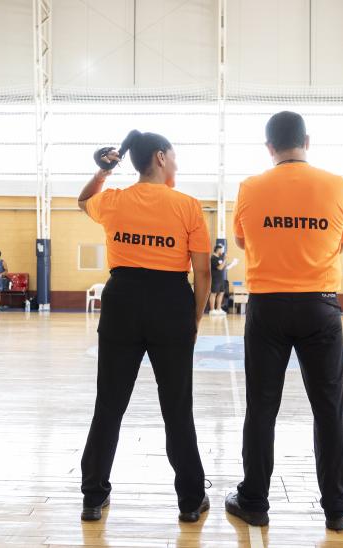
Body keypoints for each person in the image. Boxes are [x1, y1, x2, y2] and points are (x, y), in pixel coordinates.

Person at [226, 111, 343, 532]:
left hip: (267, 307)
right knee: (329, 408)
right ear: (307, 140)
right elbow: (341, 242)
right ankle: (338, 507)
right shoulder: (337, 185)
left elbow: (244, 240)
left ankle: (254, 501)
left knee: (261, 408)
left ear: (269, 147)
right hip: (320, 304)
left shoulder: (250, 187)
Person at [77, 129, 211, 523]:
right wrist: (195, 317)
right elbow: (202, 271)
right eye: (174, 155)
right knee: (177, 407)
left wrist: (102, 172)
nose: (177, 162)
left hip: (122, 300)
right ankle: (190, 501)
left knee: (109, 404)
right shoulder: (187, 204)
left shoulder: (114, 200)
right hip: (171, 302)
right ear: (159, 157)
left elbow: (83, 201)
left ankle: (92, 496)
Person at [209, 244, 227, 315]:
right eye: (222, 249)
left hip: (221, 279)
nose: (222, 251)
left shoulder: (220, 258)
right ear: (218, 249)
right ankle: (212, 310)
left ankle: (218, 309)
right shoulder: (213, 258)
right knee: (213, 293)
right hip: (215, 279)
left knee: (221, 293)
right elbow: (219, 268)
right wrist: (225, 259)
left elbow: (222, 267)